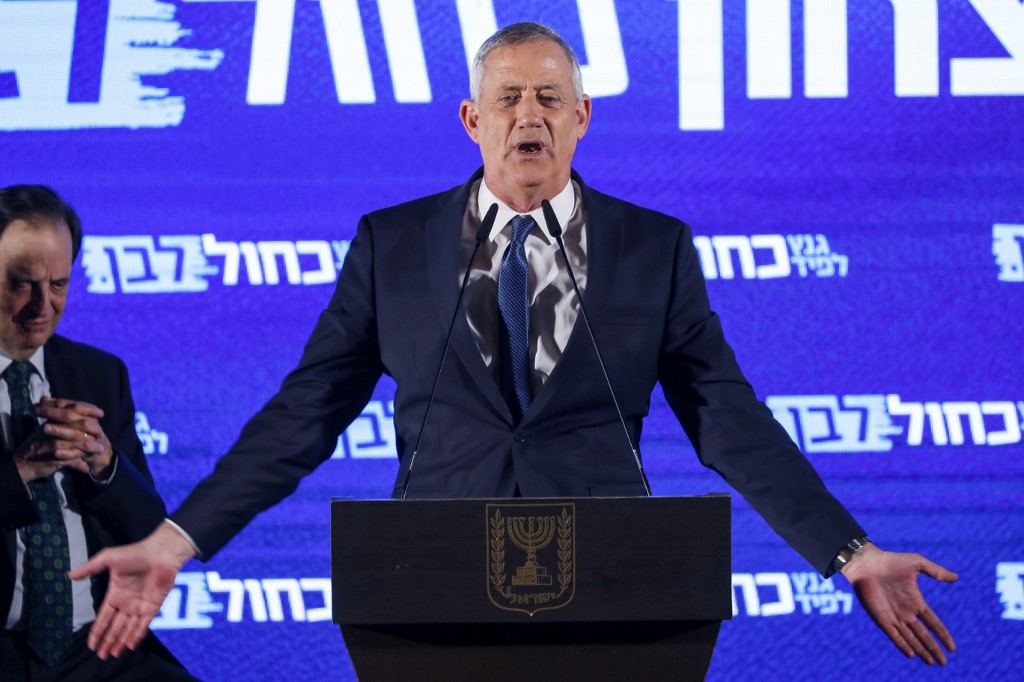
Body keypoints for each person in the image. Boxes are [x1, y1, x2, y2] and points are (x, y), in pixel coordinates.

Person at [72, 23, 957, 668]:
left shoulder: (655, 248)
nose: (527, 114)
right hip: (427, 596)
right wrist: (175, 540)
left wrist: (850, 552)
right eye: (508, 98)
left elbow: (728, 422)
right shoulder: (394, 244)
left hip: (622, 599)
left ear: (582, 117)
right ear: (471, 119)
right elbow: (304, 416)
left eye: (548, 97)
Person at [0, 185, 195, 680]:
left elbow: (149, 527)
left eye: (59, 285)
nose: (43, 307)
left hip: (96, 647)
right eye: (22, 285)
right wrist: (19, 472)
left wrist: (106, 466)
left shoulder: (99, 373)